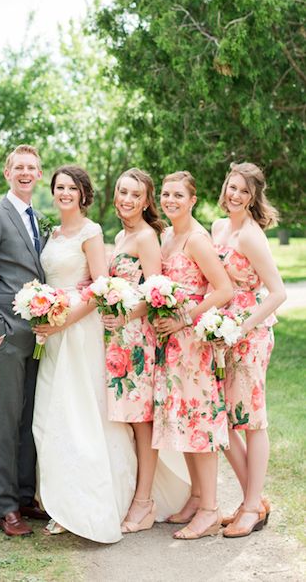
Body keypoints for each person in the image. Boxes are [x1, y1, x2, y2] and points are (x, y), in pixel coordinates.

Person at [32, 165, 137, 542]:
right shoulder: (53, 233)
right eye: (59, 187)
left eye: (71, 188)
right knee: (47, 416)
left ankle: (84, 504)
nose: (64, 193)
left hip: (77, 331)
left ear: (83, 194)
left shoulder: (92, 232)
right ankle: (57, 498)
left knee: (77, 416)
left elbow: (100, 287)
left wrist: (62, 321)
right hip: (54, 332)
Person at [102, 168, 189, 533]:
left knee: (141, 423)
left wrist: (124, 316)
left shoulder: (146, 237)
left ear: (146, 201)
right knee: (128, 420)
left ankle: (144, 503)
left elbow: (155, 293)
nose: (127, 199)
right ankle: (132, 495)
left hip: (137, 338)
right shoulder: (121, 234)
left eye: (135, 195)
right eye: (123, 192)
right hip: (116, 340)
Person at [0, 145, 49, 537]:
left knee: (30, 416)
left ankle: (24, 495)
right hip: (8, 336)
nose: (25, 172)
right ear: (6, 172)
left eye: (31, 167)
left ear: (39, 173)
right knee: (7, 417)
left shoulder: (38, 220)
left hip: (38, 334)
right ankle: (5, 508)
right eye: (18, 167)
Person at [152, 170, 233, 540]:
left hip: (193, 345)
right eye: (166, 194)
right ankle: (197, 496)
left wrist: (184, 319)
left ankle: (211, 509)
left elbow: (223, 289)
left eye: (178, 195)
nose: (170, 200)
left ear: (192, 200)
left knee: (199, 423)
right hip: (172, 346)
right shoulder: (169, 236)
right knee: (182, 420)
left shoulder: (197, 239)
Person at [211, 162, 285, 538]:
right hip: (221, 335)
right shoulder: (218, 228)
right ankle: (251, 500)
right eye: (231, 187)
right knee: (222, 419)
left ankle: (252, 506)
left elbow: (278, 292)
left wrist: (241, 327)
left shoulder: (251, 236)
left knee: (252, 420)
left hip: (250, 335)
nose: (234, 195)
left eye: (243, 190)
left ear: (253, 197)